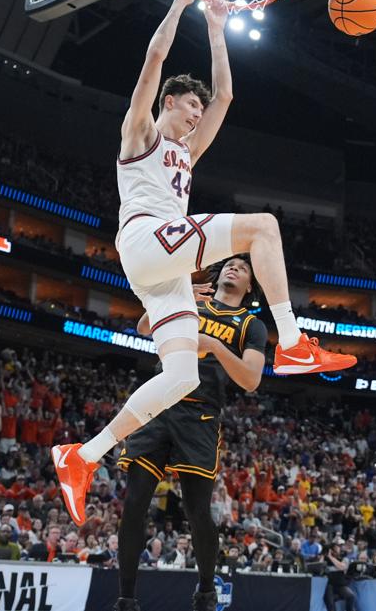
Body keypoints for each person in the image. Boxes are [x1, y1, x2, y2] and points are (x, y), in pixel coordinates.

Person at [51, 0, 356, 525]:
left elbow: (229, 96)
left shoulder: (186, 155)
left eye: (199, 109)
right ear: (169, 101)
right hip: (145, 235)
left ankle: (82, 455)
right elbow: (152, 60)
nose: (197, 114)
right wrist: (182, 4)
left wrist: (216, 28)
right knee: (262, 227)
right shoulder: (140, 134)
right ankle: (291, 341)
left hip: (158, 267)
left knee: (185, 376)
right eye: (191, 105)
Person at [115, 255, 267, 611]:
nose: (233, 268)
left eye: (242, 269)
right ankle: (125, 599)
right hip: (160, 404)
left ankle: (204, 592)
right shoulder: (190, 301)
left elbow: (251, 380)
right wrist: (175, 296)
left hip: (200, 414)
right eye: (229, 264)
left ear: (250, 287)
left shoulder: (250, 325)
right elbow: (143, 327)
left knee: (197, 510)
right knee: (134, 503)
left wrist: (214, 346)